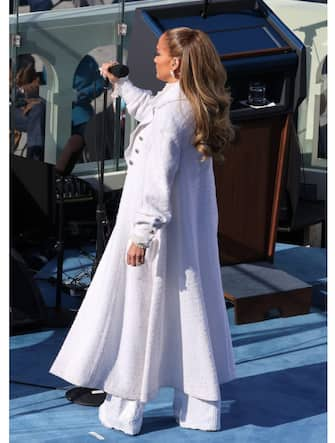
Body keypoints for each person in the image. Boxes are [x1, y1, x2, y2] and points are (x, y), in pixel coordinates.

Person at [50, 27, 236, 435]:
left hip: (153, 228)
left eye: (158, 54)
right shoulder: (188, 104)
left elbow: (157, 180)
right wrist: (123, 84)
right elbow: (151, 111)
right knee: (187, 312)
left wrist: (140, 235)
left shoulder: (173, 114)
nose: (152, 60)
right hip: (183, 230)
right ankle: (200, 409)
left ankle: (125, 410)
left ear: (177, 63)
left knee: (138, 313)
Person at [11, 54, 46, 161]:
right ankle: (35, 158)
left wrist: (33, 100)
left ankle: (34, 159)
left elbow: (37, 88)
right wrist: (22, 96)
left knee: (38, 109)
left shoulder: (29, 63)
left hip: (24, 113)